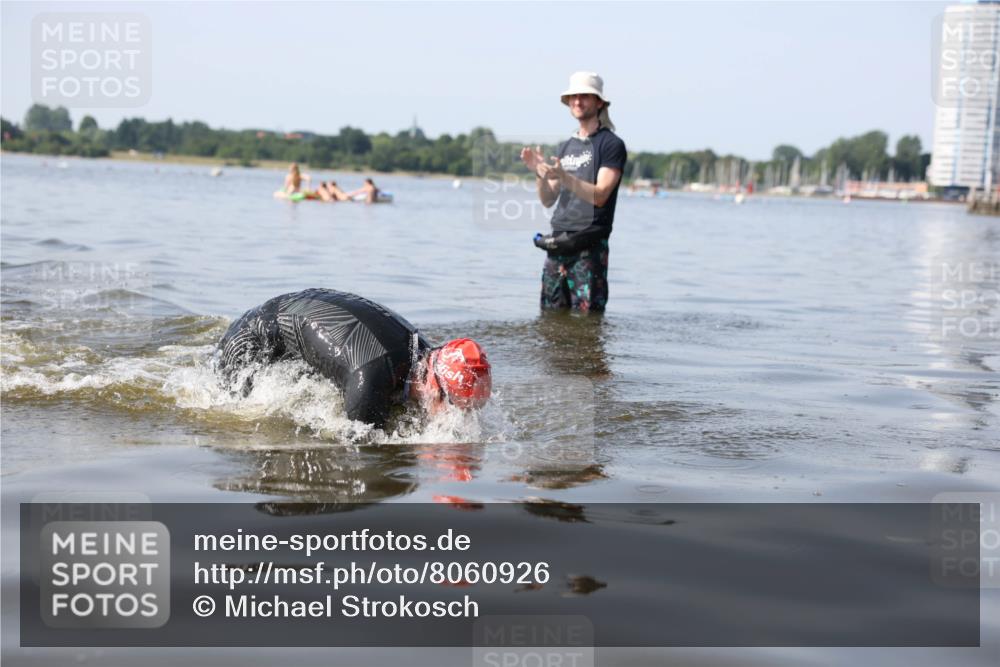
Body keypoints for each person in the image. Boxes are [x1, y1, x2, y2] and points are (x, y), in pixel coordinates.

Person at [214, 288, 492, 427]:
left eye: (469, 409)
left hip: (302, 312)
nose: (457, 418)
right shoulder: (372, 378)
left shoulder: (425, 356)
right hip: (253, 337)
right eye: (456, 407)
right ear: (434, 384)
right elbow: (361, 447)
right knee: (230, 407)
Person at [521, 72, 626, 312]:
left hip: (588, 249)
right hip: (557, 246)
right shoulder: (566, 146)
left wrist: (565, 177)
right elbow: (548, 199)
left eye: (584, 96)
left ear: (599, 102)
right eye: (573, 96)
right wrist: (539, 171)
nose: (577, 101)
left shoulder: (611, 145)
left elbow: (600, 196)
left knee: (588, 322)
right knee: (549, 321)